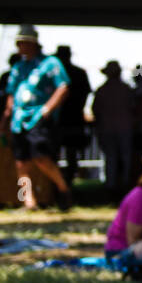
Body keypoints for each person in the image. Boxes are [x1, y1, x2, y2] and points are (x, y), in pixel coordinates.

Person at [0, 25, 73, 210]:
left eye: (22, 42)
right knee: (21, 162)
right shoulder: (18, 67)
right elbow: (11, 95)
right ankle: (28, 201)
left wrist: (47, 109)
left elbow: (63, 87)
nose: (19, 46)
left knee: (41, 158)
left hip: (37, 118)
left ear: (32, 43)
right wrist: (4, 120)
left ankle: (64, 190)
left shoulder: (50, 63)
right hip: (19, 120)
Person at [90, 60, 136, 200]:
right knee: (125, 157)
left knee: (111, 158)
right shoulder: (126, 89)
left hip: (108, 128)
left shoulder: (102, 90)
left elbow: (95, 110)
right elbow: (134, 108)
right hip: (124, 128)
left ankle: (112, 186)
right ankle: (125, 184)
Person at [53, 45, 92, 186]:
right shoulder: (76, 73)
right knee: (64, 152)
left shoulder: (75, 73)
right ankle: (61, 182)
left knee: (65, 152)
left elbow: (85, 94)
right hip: (67, 119)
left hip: (68, 119)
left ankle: (64, 182)